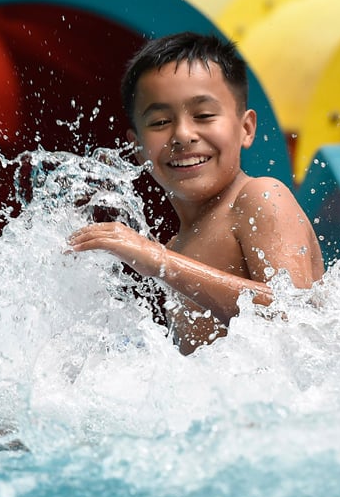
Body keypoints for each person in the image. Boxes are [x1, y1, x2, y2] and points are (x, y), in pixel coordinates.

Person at [68, 32, 325, 354]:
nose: (183, 135)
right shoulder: (178, 245)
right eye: (160, 121)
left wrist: (159, 261)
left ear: (246, 128)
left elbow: (295, 316)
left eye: (203, 115)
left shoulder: (259, 196)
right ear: (136, 147)